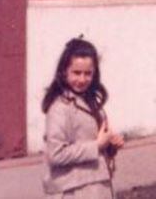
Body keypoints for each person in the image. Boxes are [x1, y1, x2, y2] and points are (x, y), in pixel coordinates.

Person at [41, 37, 124, 198]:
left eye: (88, 73)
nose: (82, 79)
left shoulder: (89, 101)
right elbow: (56, 154)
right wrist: (97, 145)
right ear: (64, 72)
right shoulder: (60, 108)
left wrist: (110, 146)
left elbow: (90, 140)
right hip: (74, 191)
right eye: (76, 73)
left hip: (96, 186)